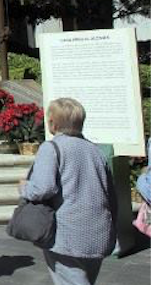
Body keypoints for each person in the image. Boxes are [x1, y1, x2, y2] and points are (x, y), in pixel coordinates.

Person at [20, 98, 116, 285]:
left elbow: (43, 188)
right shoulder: (96, 151)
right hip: (99, 233)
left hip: (67, 235)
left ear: (53, 123)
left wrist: (24, 187)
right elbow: (111, 196)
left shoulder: (51, 148)